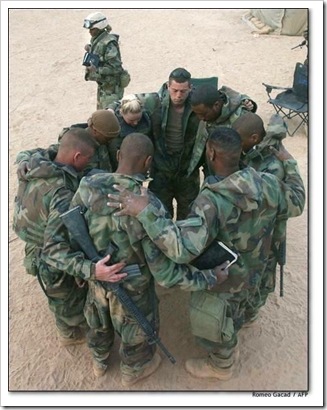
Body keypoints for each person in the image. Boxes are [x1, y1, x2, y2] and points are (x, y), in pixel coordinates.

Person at [107, 127, 305, 380]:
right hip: (258, 266)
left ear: (210, 153)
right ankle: (248, 317)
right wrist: (289, 163)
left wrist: (145, 211)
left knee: (218, 317)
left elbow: (181, 249)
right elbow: (297, 201)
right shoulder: (268, 183)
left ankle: (221, 365)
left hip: (227, 276)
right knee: (246, 301)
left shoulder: (211, 202)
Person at [70, 133, 229, 385]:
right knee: (137, 331)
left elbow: (72, 232)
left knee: (97, 319)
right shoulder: (148, 206)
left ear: (119, 155)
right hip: (133, 286)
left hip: (96, 276)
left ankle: (99, 361)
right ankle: (134, 369)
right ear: (148, 163)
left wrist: (87, 268)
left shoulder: (88, 185)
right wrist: (208, 278)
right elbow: (165, 274)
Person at [12, 129, 127, 347]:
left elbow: (29, 153)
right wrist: (93, 270)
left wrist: (24, 159)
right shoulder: (61, 194)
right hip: (48, 256)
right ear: (76, 157)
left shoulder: (39, 163)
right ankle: (69, 333)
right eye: (88, 158)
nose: (89, 163)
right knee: (67, 304)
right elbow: (54, 251)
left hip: (35, 236)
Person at [232, 112, 289, 324]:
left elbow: (272, 204)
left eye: (240, 141)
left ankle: (252, 311)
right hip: (256, 226)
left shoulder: (272, 165)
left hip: (268, 229)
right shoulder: (256, 152)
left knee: (263, 271)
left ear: (254, 138)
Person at [147, 67, 202, 220]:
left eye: (183, 91)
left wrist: (246, 102)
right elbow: (126, 103)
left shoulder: (198, 103)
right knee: (160, 217)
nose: (178, 95)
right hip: (161, 171)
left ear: (190, 88)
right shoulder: (154, 102)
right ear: (167, 86)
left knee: (189, 217)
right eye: (175, 90)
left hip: (186, 171)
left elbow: (223, 98)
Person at [16, 109, 121, 179]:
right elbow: (25, 153)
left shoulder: (102, 143)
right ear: (95, 131)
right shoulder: (73, 143)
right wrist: (24, 161)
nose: (110, 141)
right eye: (108, 138)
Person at [186, 83, 257, 179]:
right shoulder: (205, 113)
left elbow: (253, 151)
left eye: (204, 114)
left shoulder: (241, 118)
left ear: (216, 105)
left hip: (237, 178)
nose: (201, 118)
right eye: (197, 114)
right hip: (211, 173)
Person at [83, 11, 130, 109]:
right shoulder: (98, 40)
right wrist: (91, 49)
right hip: (104, 87)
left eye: (92, 29)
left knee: (109, 118)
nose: (90, 32)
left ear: (99, 27)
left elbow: (115, 69)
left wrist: (96, 70)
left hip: (111, 90)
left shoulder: (109, 43)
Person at [106, 94, 153, 170]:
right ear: (121, 113)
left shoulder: (146, 118)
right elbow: (113, 150)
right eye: (131, 120)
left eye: (138, 119)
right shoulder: (115, 126)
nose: (135, 123)